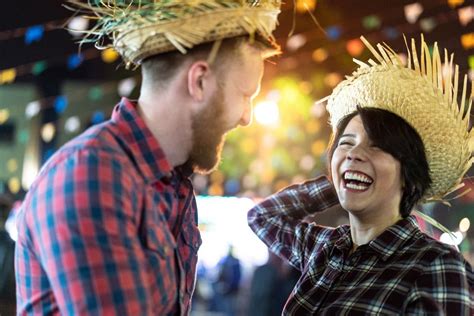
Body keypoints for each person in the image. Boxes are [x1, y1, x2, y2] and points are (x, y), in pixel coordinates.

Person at [15, 1, 282, 315]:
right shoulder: (92, 172)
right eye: (245, 94)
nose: (246, 117)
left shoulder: (172, 184)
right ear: (199, 82)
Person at [248, 36, 474, 315]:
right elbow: (262, 216)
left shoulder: (436, 264)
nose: (354, 153)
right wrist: (342, 179)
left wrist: (354, 175)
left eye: (377, 146)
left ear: (409, 173)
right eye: (346, 142)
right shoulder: (326, 248)